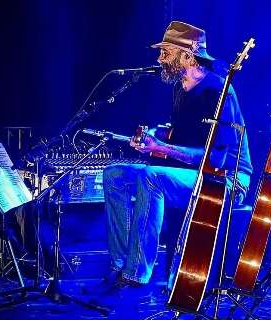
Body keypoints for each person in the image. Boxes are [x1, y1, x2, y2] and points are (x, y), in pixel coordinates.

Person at [103, 21, 253, 288]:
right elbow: (184, 138)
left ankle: (136, 274)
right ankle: (120, 263)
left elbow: (215, 159)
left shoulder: (218, 90)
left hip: (227, 179)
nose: (160, 59)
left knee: (152, 177)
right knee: (114, 174)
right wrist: (155, 138)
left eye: (165, 53)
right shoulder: (180, 88)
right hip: (193, 173)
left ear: (187, 55)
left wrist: (160, 148)